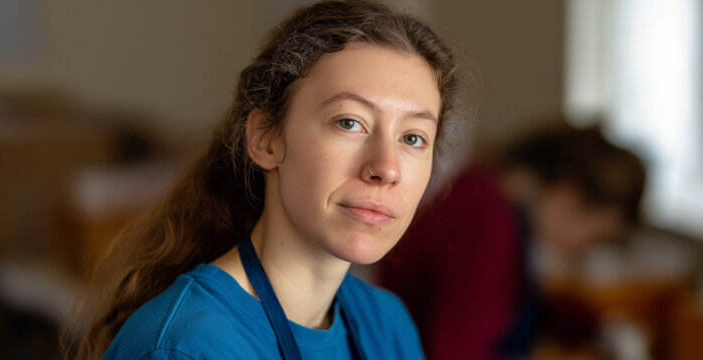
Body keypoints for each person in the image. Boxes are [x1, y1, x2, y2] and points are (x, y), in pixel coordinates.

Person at [67, 1, 462, 359]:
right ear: (265, 140)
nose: (386, 168)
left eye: (412, 138)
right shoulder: (187, 348)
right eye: (349, 122)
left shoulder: (386, 325)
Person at [378, 121, 647, 359]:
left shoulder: (494, 201)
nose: (586, 249)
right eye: (596, 235)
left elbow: (516, 305)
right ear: (569, 196)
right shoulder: (486, 219)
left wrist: (597, 327)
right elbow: (457, 351)